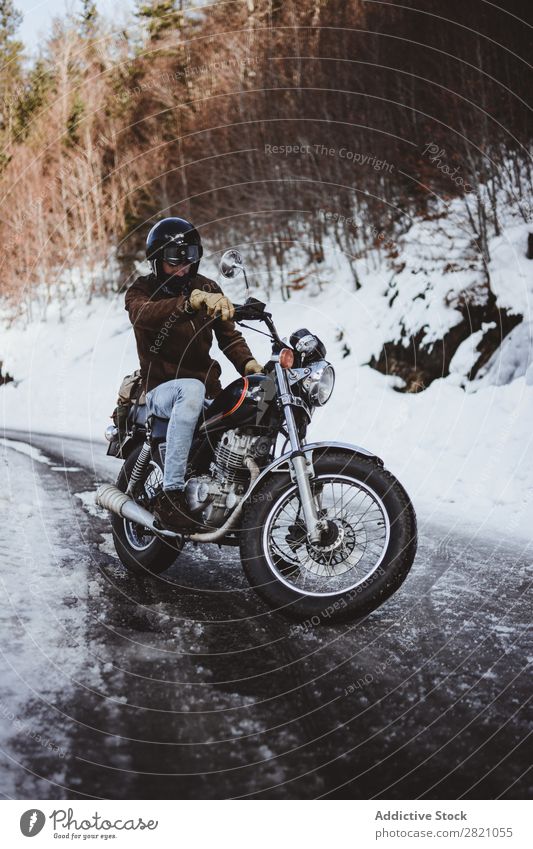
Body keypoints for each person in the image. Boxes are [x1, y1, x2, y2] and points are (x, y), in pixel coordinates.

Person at [125, 217, 262, 531]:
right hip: (161, 389)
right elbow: (143, 314)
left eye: (189, 259)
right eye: (175, 262)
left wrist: (250, 366)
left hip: (205, 391)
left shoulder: (207, 287)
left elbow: (229, 337)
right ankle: (171, 495)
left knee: (258, 400)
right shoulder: (141, 291)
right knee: (190, 389)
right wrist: (187, 304)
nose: (184, 268)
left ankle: (257, 502)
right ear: (157, 261)